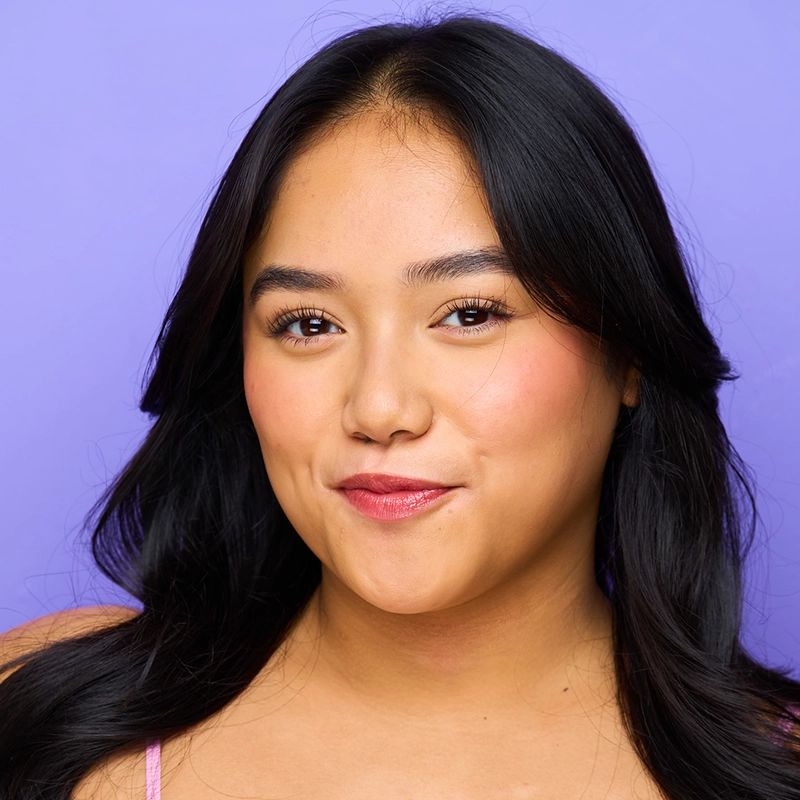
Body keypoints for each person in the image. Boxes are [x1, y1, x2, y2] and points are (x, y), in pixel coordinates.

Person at [1, 13, 798, 800]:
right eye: (308, 324)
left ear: (628, 349)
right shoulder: (47, 719)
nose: (379, 408)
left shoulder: (778, 770)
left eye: (470, 314)